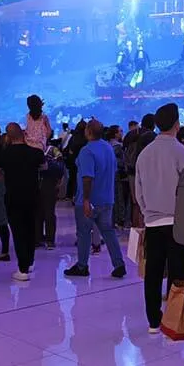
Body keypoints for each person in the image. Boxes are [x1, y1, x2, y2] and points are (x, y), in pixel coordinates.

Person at [134, 103, 184, 332]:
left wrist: (147, 210)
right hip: (177, 223)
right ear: (177, 124)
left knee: (153, 272)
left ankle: (152, 320)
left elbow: (138, 191)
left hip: (152, 221)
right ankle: (174, 318)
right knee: (178, 272)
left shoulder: (144, 155)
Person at [65, 119, 127, 279]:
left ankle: (82, 265)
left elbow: (87, 177)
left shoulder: (87, 151)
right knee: (108, 231)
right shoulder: (108, 148)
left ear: (89, 132)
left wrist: (85, 199)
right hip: (107, 198)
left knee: (84, 233)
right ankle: (119, 264)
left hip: (90, 200)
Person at [0, 123, 45, 281]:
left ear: (8, 136)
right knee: (30, 228)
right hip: (32, 196)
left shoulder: (3, 154)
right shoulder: (36, 152)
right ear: (23, 134)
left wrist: (8, 178)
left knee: (18, 231)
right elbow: (45, 167)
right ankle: (29, 262)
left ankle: (22, 269)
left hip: (13, 197)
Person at [36, 146, 65, 250]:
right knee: (37, 213)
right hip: (38, 185)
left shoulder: (51, 149)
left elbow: (60, 167)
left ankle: (49, 239)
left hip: (48, 184)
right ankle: (38, 238)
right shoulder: (32, 149)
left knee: (48, 213)